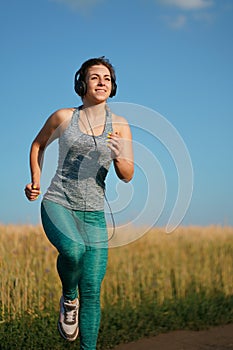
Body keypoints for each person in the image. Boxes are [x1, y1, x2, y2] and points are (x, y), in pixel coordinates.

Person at [24, 56, 134, 349]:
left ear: (113, 87)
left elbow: (127, 175)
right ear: (82, 83)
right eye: (95, 77)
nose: (102, 82)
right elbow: (38, 145)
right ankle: (68, 298)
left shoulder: (120, 125)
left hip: (94, 214)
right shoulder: (63, 117)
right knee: (72, 250)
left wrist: (118, 154)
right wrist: (35, 179)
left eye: (107, 78)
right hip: (58, 203)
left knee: (93, 289)